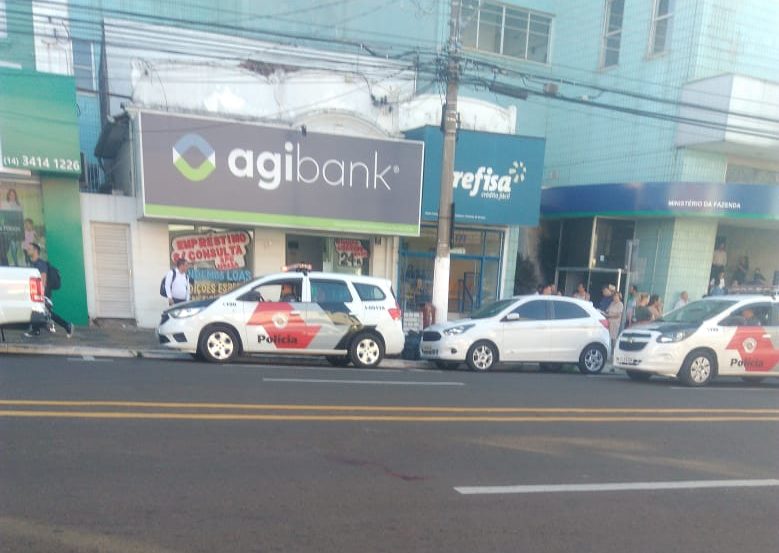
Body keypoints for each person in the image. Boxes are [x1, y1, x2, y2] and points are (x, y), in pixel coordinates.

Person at [24, 243, 74, 338]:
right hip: (37, 292)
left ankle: (67, 325)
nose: (27, 250)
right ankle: (36, 330)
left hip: (43, 292)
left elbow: (43, 279)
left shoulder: (40, 263)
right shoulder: (34, 263)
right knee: (37, 311)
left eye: (29, 248)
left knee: (46, 313)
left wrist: (41, 295)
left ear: (35, 251)